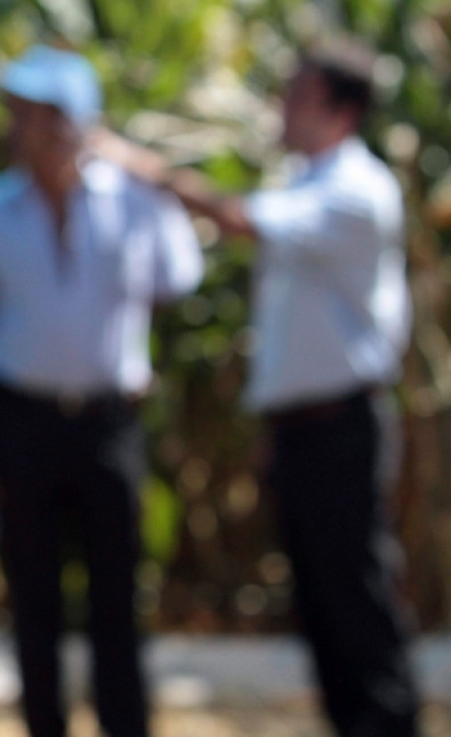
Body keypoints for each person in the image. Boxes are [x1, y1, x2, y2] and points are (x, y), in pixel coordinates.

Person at [97, 36, 421, 737]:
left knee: (355, 594)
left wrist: (145, 168)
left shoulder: (354, 191)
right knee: (321, 597)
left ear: (339, 109)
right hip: (305, 428)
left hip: (341, 427)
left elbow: (238, 219)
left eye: (297, 94)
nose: (281, 107)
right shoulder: (306, 184)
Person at [0, 46, 204, 737]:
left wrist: (147, 173)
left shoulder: (136, 200)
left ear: (71, 124)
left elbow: (181, 277)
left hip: (109, 424)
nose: (16, 127)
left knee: (117, 598)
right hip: (23, 424)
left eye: (30, 114)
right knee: (35, 601)